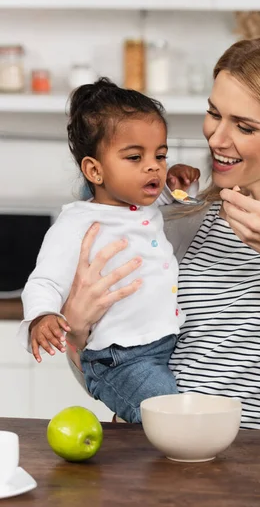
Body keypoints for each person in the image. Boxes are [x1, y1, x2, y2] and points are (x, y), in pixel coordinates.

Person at [63, 37, 260, 432]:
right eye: (214, 113)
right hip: (154, 464)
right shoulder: (175, 219)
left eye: (244, 126)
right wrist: (77, 332)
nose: (216, 138)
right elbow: (112, 370)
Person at [18, 78, 199, 423]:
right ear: (94, 170)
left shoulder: (143, 204)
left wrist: (178, 180)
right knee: (171, 419)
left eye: (160, 155)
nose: (153, 166)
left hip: (163, 344)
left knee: (162, 424)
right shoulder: (77, 223)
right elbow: (43, 281)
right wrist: (41, 316)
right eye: (135, 157)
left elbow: (175, 199)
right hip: (119, 358)